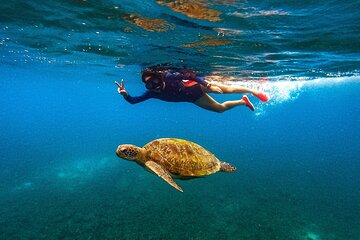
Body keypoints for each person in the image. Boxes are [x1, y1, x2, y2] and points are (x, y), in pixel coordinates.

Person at [115, 67, 269, 113]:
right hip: (193, 99)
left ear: (159, 78)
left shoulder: (168, 77)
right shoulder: (152, 93)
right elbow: (134, 101)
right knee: (220, 109)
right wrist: (125, 94)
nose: (154, 86)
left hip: (194, 86)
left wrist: (208, 85)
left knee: (225, 89)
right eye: (149, 85)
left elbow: (190, 75)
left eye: (154, 81)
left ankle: (253, 91)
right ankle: (242, 101)